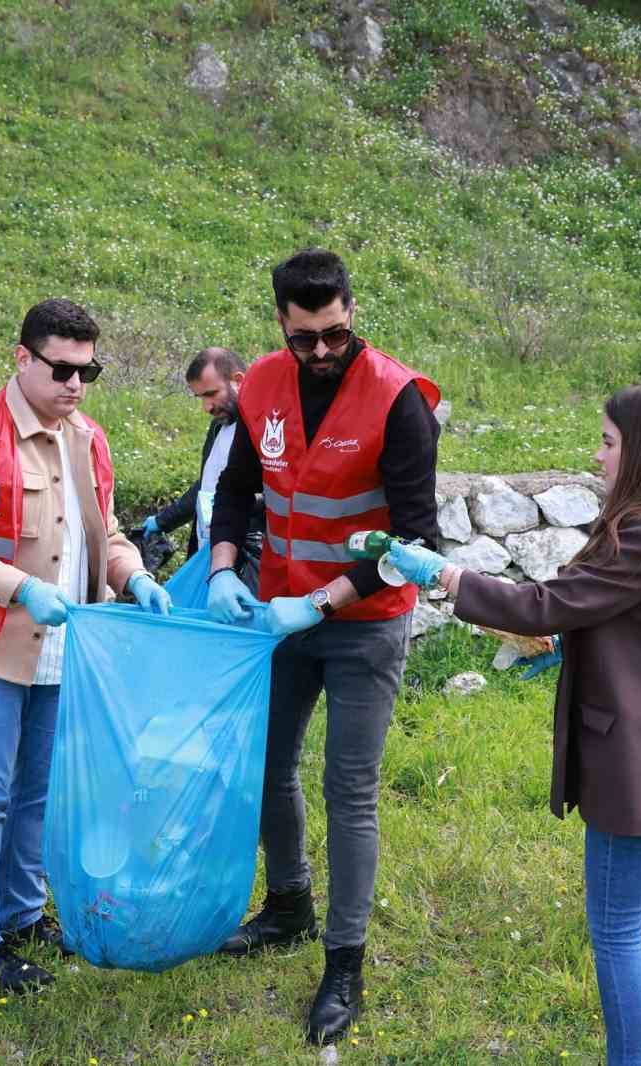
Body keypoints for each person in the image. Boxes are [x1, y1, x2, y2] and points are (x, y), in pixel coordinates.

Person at [384, 381, 641, 1064]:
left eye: (608, 442)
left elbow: (552, 602)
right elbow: (600, 613)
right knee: (632, 903)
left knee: (613, 926)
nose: (597, 454)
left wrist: (450, 579)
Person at [0, 298, 172, 994]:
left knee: (37, 795)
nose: (75, 384)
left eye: (88, 370)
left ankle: (23, 917)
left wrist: (134, 576)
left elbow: (104, 533)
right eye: (61, 368)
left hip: (63, 649)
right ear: (22, 359)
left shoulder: (88, 439)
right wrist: (19, 588)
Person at [205, 249, 441, 1045]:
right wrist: (223, 569)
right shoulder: (262, 386)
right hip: (277, 613)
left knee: (350, 788)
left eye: (335, 334)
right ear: (280, 320)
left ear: (351, 311)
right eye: (305, 338)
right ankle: (289, 906)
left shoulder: (396, 398)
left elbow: (416, 538)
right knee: (267, 766)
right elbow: (238, 492)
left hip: (365, 619)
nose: (321, 353)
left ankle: (345, 961)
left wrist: (325, 600)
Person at [138, 347, 264, 592]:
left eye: (211, 394)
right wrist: (162, 521)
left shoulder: (266, 428)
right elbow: (208, 484)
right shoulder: (220, 425)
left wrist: (237, 505)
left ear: (239, 380)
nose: (207, 407)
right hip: (209, 555)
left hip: (248, 561)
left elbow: (280, 495)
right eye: (200, 398)